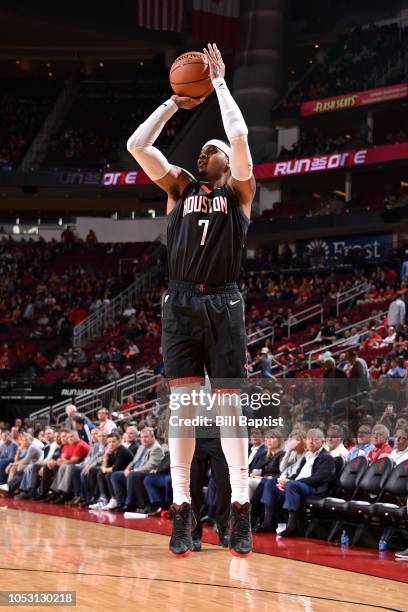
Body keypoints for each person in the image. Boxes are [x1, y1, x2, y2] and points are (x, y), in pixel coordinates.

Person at [127, 43, 255, 557]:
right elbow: (138, 145)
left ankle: (241, 508)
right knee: (182, 408)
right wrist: (173, 103)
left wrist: (219, 82)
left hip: (224, 302)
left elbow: (241, 134)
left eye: (214, 148)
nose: (206, 150)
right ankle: (182, 511)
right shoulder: (179, 187)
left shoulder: (241, 193)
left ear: (227, 161)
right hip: (179, 301)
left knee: (229, 410)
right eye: (201, 148)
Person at [255, 428, 336, 537]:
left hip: (314, 489)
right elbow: (297, 474)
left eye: (315, 439)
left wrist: (292, 482)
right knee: (270, 483)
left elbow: (319, 478)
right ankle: (268, 523)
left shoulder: (326, 458)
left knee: (291, 484)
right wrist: (284, 481)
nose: (311, 442)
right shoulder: (307, 456)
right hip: (298, 485)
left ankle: (292, 527)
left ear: (322, 442)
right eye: (309, 439)